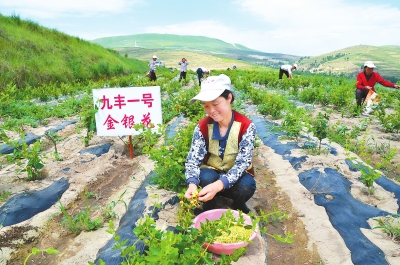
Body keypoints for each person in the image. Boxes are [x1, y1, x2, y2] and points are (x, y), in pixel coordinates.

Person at [184, 74, 257, 214]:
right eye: (206, 106)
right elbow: (193, 160)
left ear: (229, 98)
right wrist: (192, 185)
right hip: (213, 170)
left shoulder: (246, 126)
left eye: (216, 104)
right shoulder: (202, 126)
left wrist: (219, 185)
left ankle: (238, 204)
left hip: (237, 174)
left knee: (246, 186)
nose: (211, 111)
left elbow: (242, 163)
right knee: (205, 177)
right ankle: (209, 203)